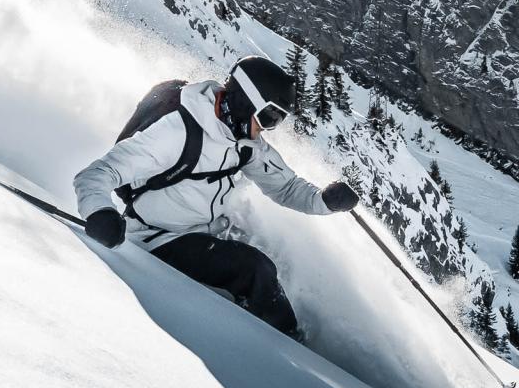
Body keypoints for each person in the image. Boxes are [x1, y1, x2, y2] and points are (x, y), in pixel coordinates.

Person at [74, 55, 358, 340]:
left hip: (207, 230)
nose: (268, 128)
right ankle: (288, 349)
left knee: (278, 255)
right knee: (254, 269)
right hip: (159, 237)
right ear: (246, 101)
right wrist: (99, 212)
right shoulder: (178, 131)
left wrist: (325, 200)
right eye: (269, 117)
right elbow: (98, 173)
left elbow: (285, 188)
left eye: (277, 121)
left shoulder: (245, 143)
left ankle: (263, 319)